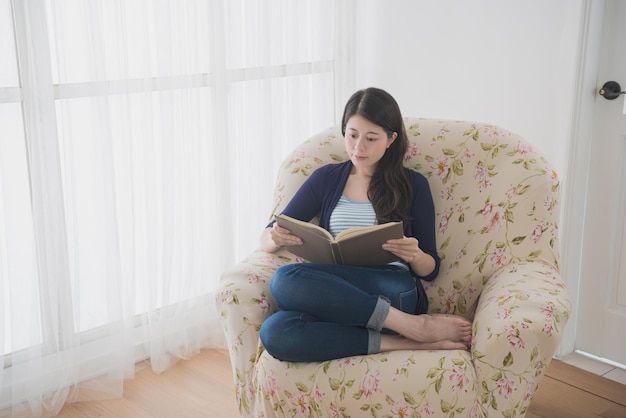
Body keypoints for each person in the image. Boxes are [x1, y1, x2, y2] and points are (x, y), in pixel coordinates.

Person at [259, 87, 471, 363]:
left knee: (285, 281)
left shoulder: (414, 184)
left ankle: (412, 323)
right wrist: (275, 237)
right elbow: (266, 238)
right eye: (352, 135)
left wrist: (415, 255)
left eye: (371, 138)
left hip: (392, 287)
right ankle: (401, 338)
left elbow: (430, 269)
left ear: (391, 139)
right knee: (276, 332)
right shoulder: (325, 178)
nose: (359, 147)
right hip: (336, 294)